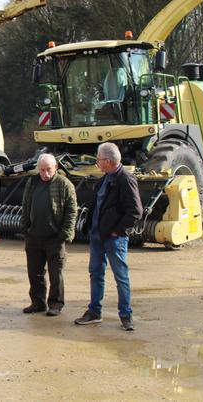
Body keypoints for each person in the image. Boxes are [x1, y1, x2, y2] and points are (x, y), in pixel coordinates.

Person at [75, 142, 143, 331]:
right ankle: (94, 312)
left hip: (114, 239)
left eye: (98, 159)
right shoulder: (105, 179)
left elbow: (136, 211)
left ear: (107, 160)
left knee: (121, 277)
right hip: (97, 237)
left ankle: (126, 315)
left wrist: (117, 230)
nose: (96, 161)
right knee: (95, 274)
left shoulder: (125, 179)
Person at [19, 153, 77, 316]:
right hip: (34, 236)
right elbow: (25, 205)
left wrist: (65, 233)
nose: (45, 174)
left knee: (56, 273)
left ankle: (56, 304)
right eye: (42, 170)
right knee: (34, 272)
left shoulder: (65, 185)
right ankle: (38, 302)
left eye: (48, 170)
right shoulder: (32, 182)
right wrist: (25, 229)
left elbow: (72, 211)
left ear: (56, 168)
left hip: (55, 238)